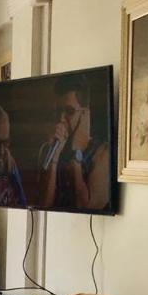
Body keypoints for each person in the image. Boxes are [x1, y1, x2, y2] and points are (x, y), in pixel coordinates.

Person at [37, 74, 110, 211]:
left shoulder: (103, 153)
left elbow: (85, 207)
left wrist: (77, 154)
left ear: (84, 114)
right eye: (58, 111)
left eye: (69, 111)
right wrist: (54, 158)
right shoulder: (49, 149)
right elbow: (43, 205)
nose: (61, 118)